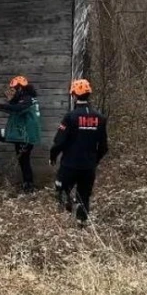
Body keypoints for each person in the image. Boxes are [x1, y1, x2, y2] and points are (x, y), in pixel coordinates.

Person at [49, 79, 109, 226]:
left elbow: (59, 142)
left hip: (69, 165)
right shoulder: (100, 118)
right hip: (88, 167)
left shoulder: (70, 117)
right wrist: (94, 161)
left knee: (61, 189)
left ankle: (63, 223)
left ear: (74, 95)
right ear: (89, 94)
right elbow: (103, 147)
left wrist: (53, 157)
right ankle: (81, 224)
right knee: (84, 197)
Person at [0, 75, 41, 192]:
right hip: (22, 135)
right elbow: (15, 107)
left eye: (14, 88)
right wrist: (10, 101)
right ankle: (28, 185)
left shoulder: (26, 100)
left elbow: (17, 108)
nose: (12, 91)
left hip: (23, 135)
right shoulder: (28, 98)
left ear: (20, 88)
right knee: (24, 160)